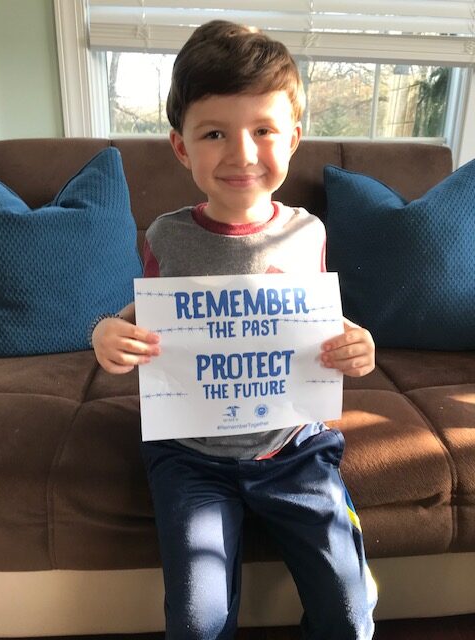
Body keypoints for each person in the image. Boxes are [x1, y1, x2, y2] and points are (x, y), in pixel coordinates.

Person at [92, 20, 377, 640]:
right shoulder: (168, 235)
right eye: (215, 133)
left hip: (295, 448)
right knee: (197, 623)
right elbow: (144, 313)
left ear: (294, 138)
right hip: (190, 455)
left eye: (264, 131)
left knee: (350, 614)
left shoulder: (307, 232)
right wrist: (107, 332)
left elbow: (314, 319)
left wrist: (358, 341)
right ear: (180, 146)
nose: (242, 154)